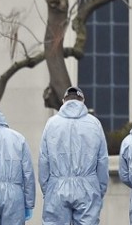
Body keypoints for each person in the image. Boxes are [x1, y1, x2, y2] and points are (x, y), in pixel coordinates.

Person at [37, 87, 108, 225]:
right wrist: (99, 190)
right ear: (83, 101)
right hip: (88, 186)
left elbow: (44, 160)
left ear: (64, 101)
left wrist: (48, 189)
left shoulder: (51, 124)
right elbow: (102, 161)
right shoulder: (94, 124)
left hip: (57, 186)